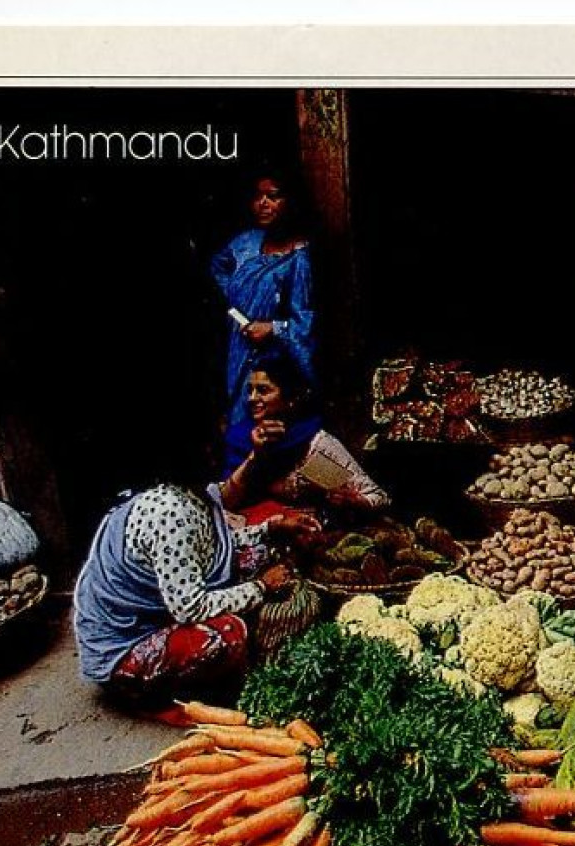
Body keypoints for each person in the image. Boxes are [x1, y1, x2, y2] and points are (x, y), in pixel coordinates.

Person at [73, 472, 318, 707]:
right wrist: (261, 587)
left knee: (260, 553)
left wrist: (269, 530)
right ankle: (157, 695)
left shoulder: (192, 494)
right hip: (127, 640)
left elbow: (208, 547)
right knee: (227, 635)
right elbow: (190, 607)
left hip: (165, 602)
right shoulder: (170, 513)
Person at [210, 171, 316, 469]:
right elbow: (217, 268)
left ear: (291, 202)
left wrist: (273, 328)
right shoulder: (246, 243)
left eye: (273, 196)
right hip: (237, 351)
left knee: (269, 437)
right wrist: (237, 299)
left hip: (273, 362)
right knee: (235, 426)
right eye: (258, 197)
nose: (263, 204)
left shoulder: (301, 259)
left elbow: (306, 323)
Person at [219, 354, 391, 526]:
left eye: (263, 391)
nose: (252, 398)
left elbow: (378, 497)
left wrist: (352, 501)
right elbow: (225, 502)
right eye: (250, 390)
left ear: (290, 399)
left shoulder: (313, 444)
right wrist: (256, 455)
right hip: (254, 533)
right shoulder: (240, 439)